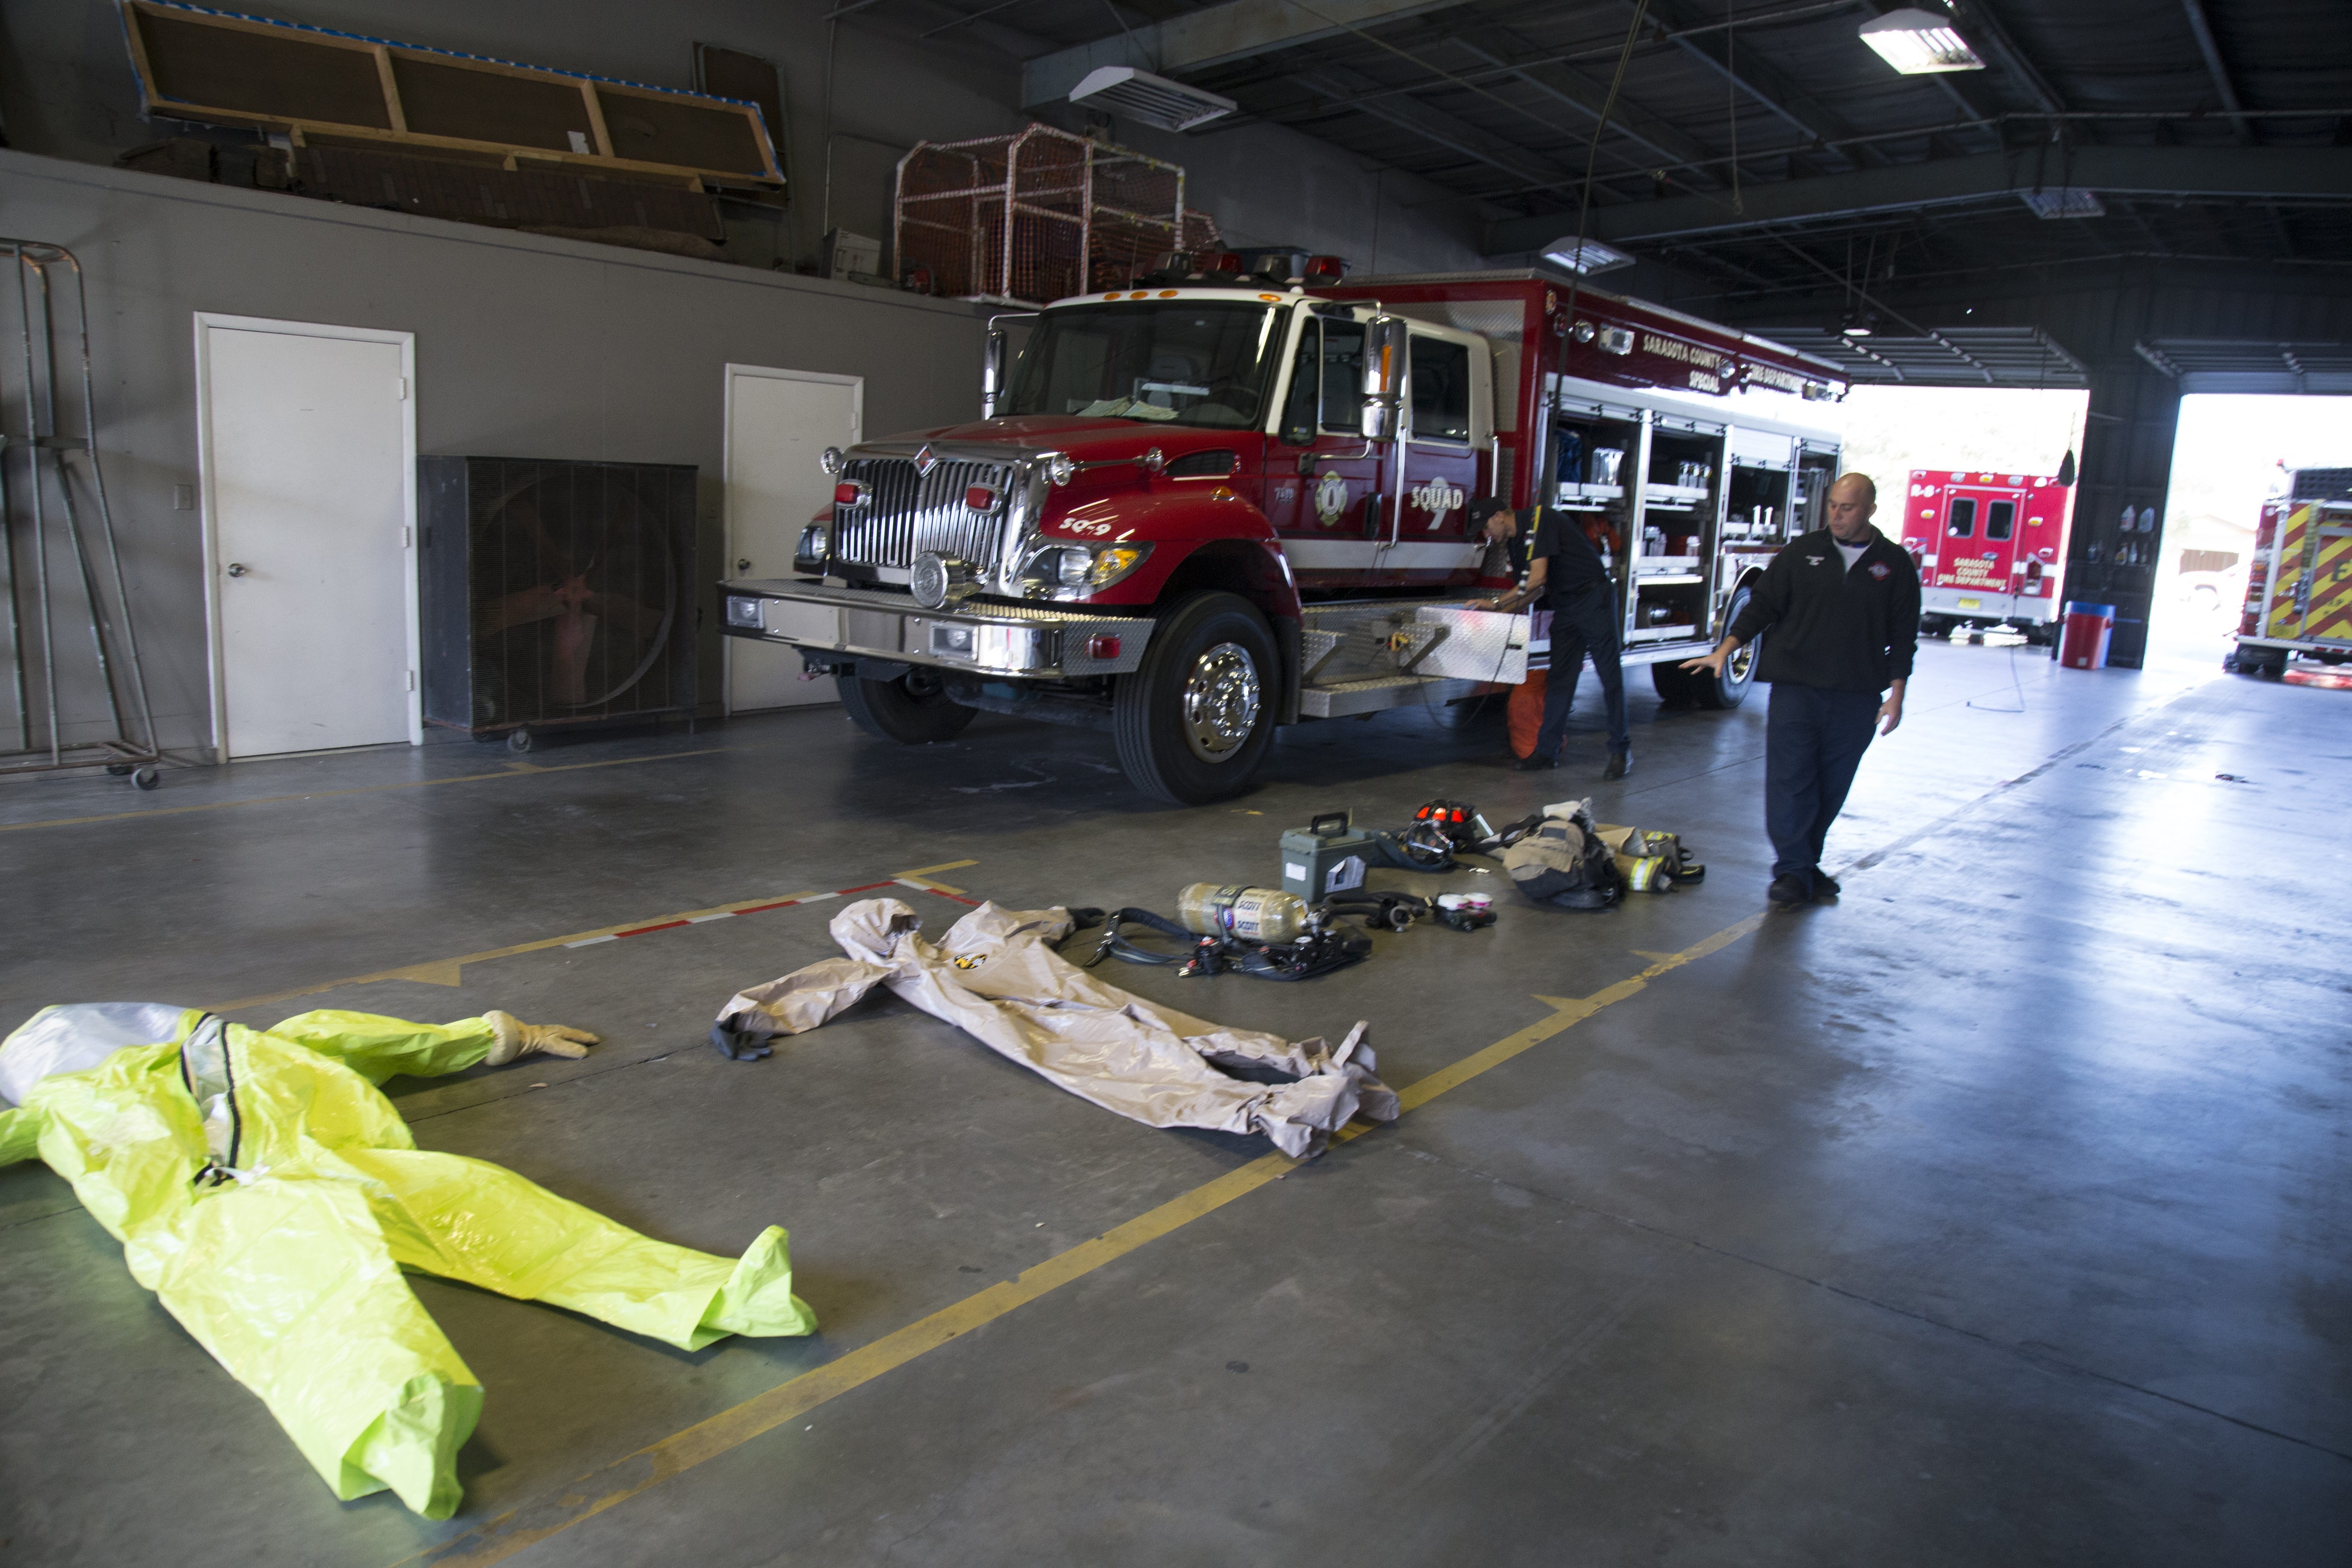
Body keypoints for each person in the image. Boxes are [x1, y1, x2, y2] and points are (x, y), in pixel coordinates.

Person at [0, 1000, 816, 1518]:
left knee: (454, 1229)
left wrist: (491, 1038)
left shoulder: (84, 1094)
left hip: (272, 1186)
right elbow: (357, 1037)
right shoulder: (209, 1048)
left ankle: (716, 1295)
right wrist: (496, 1036)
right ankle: (393, 1423)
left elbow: (358, 1037)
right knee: (397, 1264)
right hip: (265, 1189)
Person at [1680, 472, 1920, 906]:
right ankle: (1792, 871)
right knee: (1791, 781)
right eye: (1832, 505)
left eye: (1847, 508)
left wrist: (1897, 695)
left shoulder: (1895, 565)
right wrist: (1727, 648)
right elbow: (1764, 606)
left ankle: (1805, 864)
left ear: (1870, 510)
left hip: (1857, 695)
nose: (1837, 515)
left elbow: (1903, 636)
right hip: (1797, 689)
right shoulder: (1802, 553)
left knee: (1831, 786)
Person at [1469, 496, 1632, 778]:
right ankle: (1546, 752)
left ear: (1499, 516)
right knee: (1560, 680)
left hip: (1594, 598)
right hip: (1566, 605)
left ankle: (1621, 752)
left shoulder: (1538, 519)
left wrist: (1496, 604)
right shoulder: (1516, 544)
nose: (1488, 536)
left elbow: (1538, 578)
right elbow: (1530, 590)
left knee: (1610, 677)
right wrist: (1495, 613)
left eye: (1486, 528)